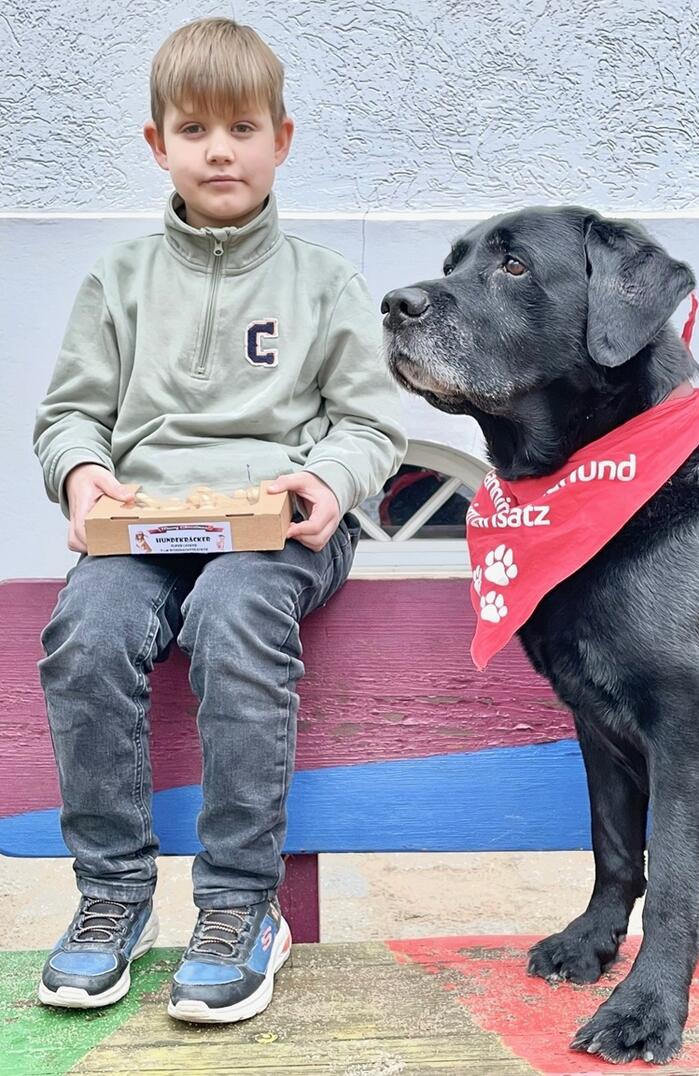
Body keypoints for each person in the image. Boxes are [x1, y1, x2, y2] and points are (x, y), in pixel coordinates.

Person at [32, 16, 405, 1024]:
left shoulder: (323, 281)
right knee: (86, 629)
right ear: (159, 146)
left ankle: (243, 903)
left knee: (235, 616)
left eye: (242, 127)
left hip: (274, 531)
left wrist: (330, 479)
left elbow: (369, 419)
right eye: (194, 129)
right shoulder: (119, 280)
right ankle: (111, 896)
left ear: (282, 139)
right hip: (146, 527)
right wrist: (80, 476)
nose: (220, 150)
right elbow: (70, 414)